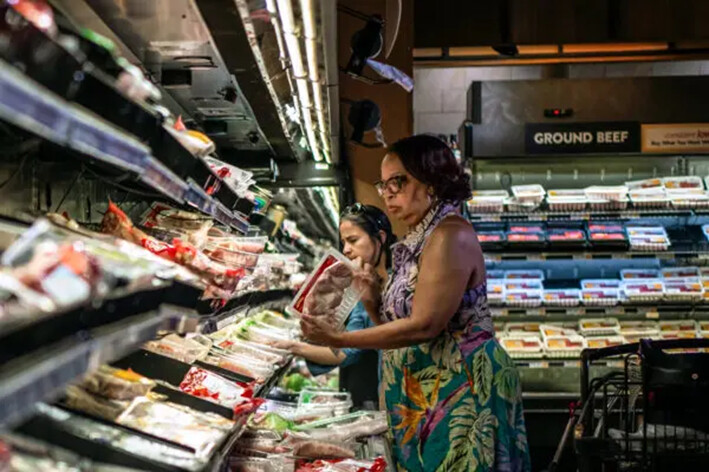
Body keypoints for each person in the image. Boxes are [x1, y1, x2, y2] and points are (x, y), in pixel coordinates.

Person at [301, 135, 531, 471]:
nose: (388, 192)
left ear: (431, 180)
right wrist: (371, 300)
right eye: (384, 184)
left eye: (399, 180)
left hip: (461, 394)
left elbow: (424, 325)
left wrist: (337, 339)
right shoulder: (416, 240)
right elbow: (396, 331)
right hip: (425, 396)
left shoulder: (449, 234)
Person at [274, 203, 395, 408]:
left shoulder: (398, 286)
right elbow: (346, 348)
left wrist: (299, 346)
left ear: (380, 238)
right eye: (344, 242)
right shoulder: (360, 286)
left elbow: (348, 351)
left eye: (353, 240)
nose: (346, 249)